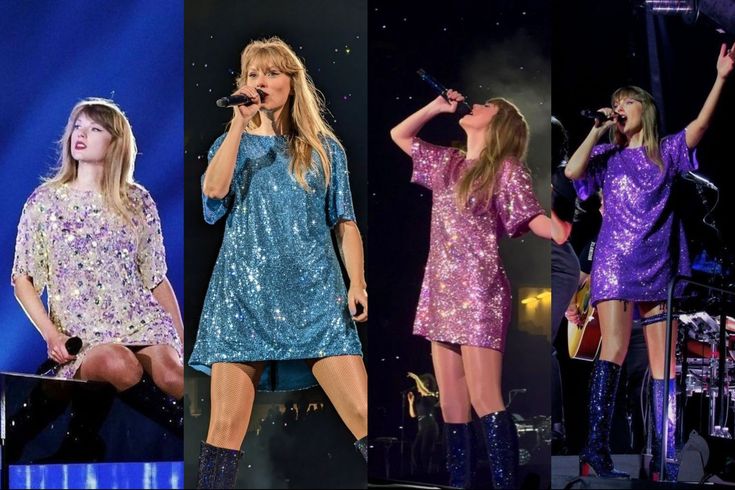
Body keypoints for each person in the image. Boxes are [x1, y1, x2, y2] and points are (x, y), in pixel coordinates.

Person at [188, 36, 368, 489]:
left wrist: (357, 283)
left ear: (292, 81)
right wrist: (237, 125)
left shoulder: (326, 149)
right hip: (243, 297)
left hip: (316, 296)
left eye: (270, 72)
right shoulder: (232, 143)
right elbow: (212, 191)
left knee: (365, 413)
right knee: (225, 427)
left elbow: (345, 222)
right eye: (252, 74)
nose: (260, 81)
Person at [565, 43, 735, 480]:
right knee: (615, 349)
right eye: (615, 101)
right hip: (616, 261)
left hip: (659, 262)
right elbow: (572, 174)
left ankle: (668, 457)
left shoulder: (667, 152)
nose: (619, 106)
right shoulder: (607, 156)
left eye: (627, 100)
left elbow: (699, 126)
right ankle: (595, 451)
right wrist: (598, 129)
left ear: (646, 108)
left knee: (667, 366)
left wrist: (720, 78)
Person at [390, 89, 554, 489]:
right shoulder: (448, 162)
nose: (474, 106)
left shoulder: (506, 169)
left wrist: (563, 231)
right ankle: (459, 484)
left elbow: (531, 218)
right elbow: (399, 135)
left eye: (486, 107)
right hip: (440, 292)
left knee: (485, 397)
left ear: (498, 125)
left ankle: (503, 484)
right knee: (451, 404)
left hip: (479, 291)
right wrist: (434, 107)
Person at [11, 97, 184, 453]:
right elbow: (22, 279)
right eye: (77, 126)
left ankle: (208, 443)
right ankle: (201, 441)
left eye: (95, 128)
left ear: (114, 142)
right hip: (84, 331)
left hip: (142, 321)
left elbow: (155, 278)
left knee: (174, 376)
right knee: (116, 362)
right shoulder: (45, 202)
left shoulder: (137, 200)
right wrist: (51, 334)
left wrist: (181, 342)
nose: (81, 134)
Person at [406, 372, 440, 476]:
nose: (418, 386)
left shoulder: (431, 395)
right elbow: (413, 415)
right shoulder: (420, 399)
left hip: (430, 425)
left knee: (425, 451)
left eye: (421, 383)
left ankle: (426, 475)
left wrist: (416, 377)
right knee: (415, 450)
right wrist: (411, 403)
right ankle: (419, 473)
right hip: (421, 427)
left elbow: (425, 391)